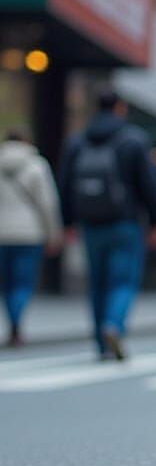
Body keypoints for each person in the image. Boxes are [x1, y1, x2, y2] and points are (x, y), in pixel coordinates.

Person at [59, 90, 156, 359]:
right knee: (122, 282)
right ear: (120, 108)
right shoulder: (134, 140)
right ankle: (113, 325)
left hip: (91, 224)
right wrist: (155, 221)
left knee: (97, 283)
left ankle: (100, 342)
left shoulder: (77, 141)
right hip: (125, 224)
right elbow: (149, 185)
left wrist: (67, 221)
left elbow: (65, 183)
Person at [0, 130, 63, 346]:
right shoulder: (36, 165)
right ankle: (17, 324)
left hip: (2, 234)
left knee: (7, 284)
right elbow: (48, 203)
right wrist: (53, 234)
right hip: (29, 233)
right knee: (22, 283)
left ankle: (12, 324)